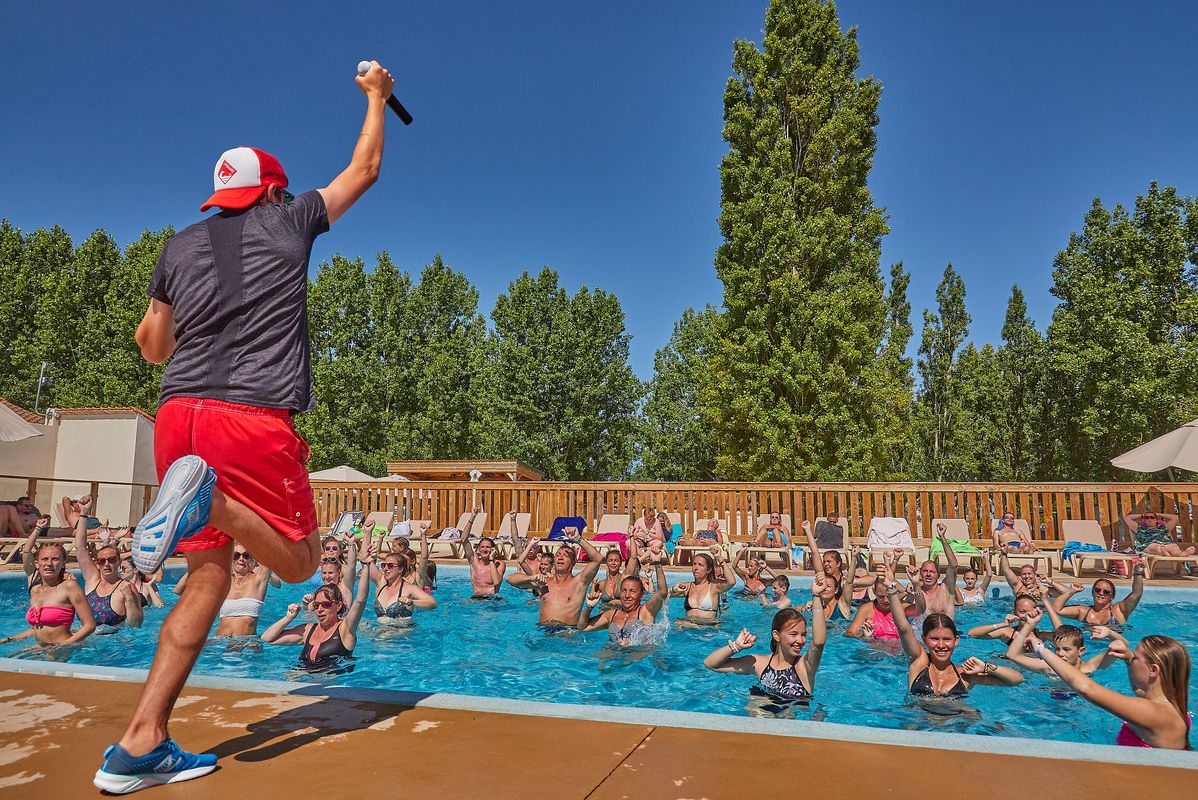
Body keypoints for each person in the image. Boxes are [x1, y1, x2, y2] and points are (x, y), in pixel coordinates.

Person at [93, 62, 399, 794]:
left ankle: (139, 743)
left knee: (207, 575)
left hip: (178, 415)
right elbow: (366, 168)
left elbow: (153, 345)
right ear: (269, 189)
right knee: (298, 563)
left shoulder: (178, 247)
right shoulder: (289, 217)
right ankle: (210, 501)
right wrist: (377, 98)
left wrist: (169, 311)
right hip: (250, 415)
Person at [1028, 631, 1192, 749]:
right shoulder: (1170, 704)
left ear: (1154, 670)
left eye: (1135, 657)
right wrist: (1128, 659)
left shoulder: (1155, 714)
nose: (1131, 659)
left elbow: (1086, 689)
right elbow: (1140, 690)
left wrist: (1041, 650)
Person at [884, 561, 1022, 696]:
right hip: (917, 718)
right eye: (934, 639)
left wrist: (986, 667)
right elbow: (903, 628)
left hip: (958, 717)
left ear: (956, 640)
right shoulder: (918, 662)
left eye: (947, 639)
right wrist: (891, 589)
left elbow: (1016, 680)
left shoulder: (965, 674)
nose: (941, 645)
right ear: (924, 640)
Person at [703, 580, 830, 708]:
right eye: (793, 634)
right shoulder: (759, 663)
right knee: (755, 697)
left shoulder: (804, 666)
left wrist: (816, 596)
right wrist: (736, 647)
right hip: (761, 720)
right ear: (777, 635)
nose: (801, 640)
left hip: (792, 722)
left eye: (803, 634)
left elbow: (818, 642)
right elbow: (711, 664)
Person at [261, 554, 373, 669]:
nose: (319, 610)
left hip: (330, 682)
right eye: (316, 605)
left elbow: (361, 600)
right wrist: (288, 618)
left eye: (326, 605)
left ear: (338, 606)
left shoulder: (345, 630)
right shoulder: (308, 630)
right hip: (299, 679)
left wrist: (366, 565)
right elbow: (267, 638)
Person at [1, 541, 97, 647]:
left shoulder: (70, 587)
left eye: (55, 559)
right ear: (37, 563)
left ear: (63, 562)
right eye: (44, 559)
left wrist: (62, 646)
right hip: (41, 648)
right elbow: (38, 629)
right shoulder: (35, 589)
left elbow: (90, 625)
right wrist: (10, 639)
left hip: (63, 649)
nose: (49, 563)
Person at [70, 496, 142, 630]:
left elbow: (136, 624)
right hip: (84, 638)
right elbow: (80, 546)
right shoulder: (92, 580)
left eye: (112, 560)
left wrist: (129, 599)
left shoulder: (126, 587)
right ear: (98, 564)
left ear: (118, 562)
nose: (107, 564)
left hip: (111, 642)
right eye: (102, 561)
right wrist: (84, 513)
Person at [507, 529, 604, 627]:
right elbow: (509, 578)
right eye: (558, 555)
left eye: (565, 555)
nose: (560, 557)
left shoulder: (579, 582)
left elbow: (598, 559)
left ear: (574, 562)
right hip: (543, 632)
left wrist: (578, 539)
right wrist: (531, 578)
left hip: (567, 633)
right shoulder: (543, 583)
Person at [176, 546, 279, 636]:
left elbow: (270, 548)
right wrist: (199, 564)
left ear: (253, 560)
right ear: (230, 559)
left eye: (246, 556)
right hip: (219, 642)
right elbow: (179, 590)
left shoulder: (259, 580)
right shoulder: (222, 581)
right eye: (236, 555)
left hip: (247, 643)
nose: (241, 559)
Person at [578, 550, 670, 645]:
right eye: (624, 590)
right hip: (611, 655)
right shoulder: (611, 615)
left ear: (641, 595)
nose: (627, 595)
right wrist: (589, 607)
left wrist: (658, 564)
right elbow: (583, 627)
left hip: (637, 657)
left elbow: (662, 592)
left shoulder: (646, 611)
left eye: (632, 591)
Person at [1005, 611, 1128, 676]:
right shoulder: (1049, 667)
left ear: (1081, 651)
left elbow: (1123, 647)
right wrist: (1029, 625)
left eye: (1066, 649)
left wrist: (1111, 633)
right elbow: (1012, 655)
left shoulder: (1089, 667)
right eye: (1057, 649)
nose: (1060, 654)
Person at [361, 548, 437, 625]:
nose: (386, 568)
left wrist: (412, 602)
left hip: (401, 633)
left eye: (390, 566)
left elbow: (433, 603)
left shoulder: (408, 588)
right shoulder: (381, 583)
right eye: (384, 565)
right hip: (381, 629)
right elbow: (364, 559)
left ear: (400, 569)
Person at [1050, 566, 1145, 626]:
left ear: (1112, 597)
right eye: (1097, 590)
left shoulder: (1119, 610)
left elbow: (1136, 594)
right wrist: (1072, 591)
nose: (1101, 593)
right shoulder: (1083, 611)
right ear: (1092, 592)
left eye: (1106, 592)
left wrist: (1137, 573)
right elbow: (1056, 610)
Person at [845, 572, 923, 640]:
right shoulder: (867, 609)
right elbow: (849, 633)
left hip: (899, 653)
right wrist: (863, 635)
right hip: (875, 651)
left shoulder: (901, 608)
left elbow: (921, 610)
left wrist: (916, 585)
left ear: (894, 592)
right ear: (874, 591)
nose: (885, 601)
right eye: (881, 597)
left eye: (889, 596)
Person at [670, 548, 736, 625]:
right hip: (689, 628)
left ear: (708, 570)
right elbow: (662, 595)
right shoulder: (687, 587)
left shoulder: (714, 587)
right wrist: (673, 590)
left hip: (708, 630)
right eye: (694, 564)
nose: (696, 568)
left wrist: (720, 558)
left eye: (700, 565)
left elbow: (732, 582)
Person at [909, 523, 958, 618]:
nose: (928, 574)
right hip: (924, 632)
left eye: (932, 572)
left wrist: (942, 537)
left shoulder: (946, 589)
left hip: (945, 631)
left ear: (938, 575)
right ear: (920, 573)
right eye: (925, 571)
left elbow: (954, 565)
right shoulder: (917, 592)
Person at [967, 595, 1061, 644]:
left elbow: (1064, 635)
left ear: (1036, 612)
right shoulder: (1007, 633)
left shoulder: (1041, 635)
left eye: (1030, 612)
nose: (1027, 616)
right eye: (1023, 612)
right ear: (1014, 612)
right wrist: (1002, 624)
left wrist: (1045, 601)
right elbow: (972, 634)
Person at [461, 509, 507, 598]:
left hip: (493, 599)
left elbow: (496, 582)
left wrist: (491, 560)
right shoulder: (474, 562)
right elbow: (463, 540)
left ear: (493, 549)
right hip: (476, 598)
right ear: (478, 549)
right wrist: (472, 517)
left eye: (488, 547)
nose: (485, 549)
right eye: (482, 547)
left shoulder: (499, 564)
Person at [1123, 510, 1194, 558]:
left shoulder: (1164, 528)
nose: (1149, 519)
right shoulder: (1139, 528)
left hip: (1166, 544)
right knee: (1155, 547)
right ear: (1144, 520)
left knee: (1174, 546)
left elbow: (1175, 518)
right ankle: (1165, 552)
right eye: (1146, 517)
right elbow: (1127, 518)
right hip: (1147, 545)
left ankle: (1182, 554)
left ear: (1156, 520)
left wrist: (1158, 514)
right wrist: (1142, 515)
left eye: (1152, 517)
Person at [998, 553, 1066, 601]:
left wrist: (1050, 582)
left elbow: (1067, 592)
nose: (1027, 576)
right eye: (1024, 574)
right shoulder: (1018, 586)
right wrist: (1004, 553)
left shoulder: (1044, 589)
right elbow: (1006, 569)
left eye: (1029, 573)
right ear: (1021, 576)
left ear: (1035, 575)